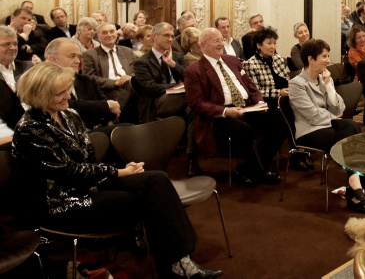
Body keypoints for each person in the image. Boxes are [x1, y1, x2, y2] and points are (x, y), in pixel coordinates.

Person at [11, 62, 222, 279]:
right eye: (60, 92)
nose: (68, 95)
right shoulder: (30, 128)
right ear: (40, 95)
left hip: (86, 185)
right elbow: (69, 171)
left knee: (156, 180)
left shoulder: (70, 114)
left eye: (68, 88)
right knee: (141, 200)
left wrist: (121, 169)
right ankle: (177, 266)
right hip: (60, 202)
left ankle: (181, 261)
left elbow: (88, 159)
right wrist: (119, 173)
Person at [184, 28, 286, 186]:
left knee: (279, 126)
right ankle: (259, 173)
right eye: (215, 41)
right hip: (219, 115)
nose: (220, 44)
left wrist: (259, 101)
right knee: (244, 130)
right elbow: (197, 104)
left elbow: (250, 86)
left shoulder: (233, 61)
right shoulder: (193, 71)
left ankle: (249, 168)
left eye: (221, 40)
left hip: (247, 107)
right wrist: (226, 111)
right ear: (203, 45)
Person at [289, 39, 365, 214]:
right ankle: (357, 187)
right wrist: (333, 117)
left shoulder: (324, 78)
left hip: (327, 125)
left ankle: (354, 187)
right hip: (309, 132)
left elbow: (339, 108)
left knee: (351, 125)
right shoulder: (297, 83)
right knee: (350, 133)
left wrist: (328, 87)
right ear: (311, 59)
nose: (328, 60)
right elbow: (312, 116)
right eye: (324, 56)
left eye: (328, 56)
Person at [242, 27, 312, 171]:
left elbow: (286, 79)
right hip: (267, 103)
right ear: (259, 45)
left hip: (285, 99)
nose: (273, 46)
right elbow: (254, 91)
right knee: (289, 120)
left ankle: (301, 153)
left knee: (303, 115)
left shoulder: (278, 59)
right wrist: (278, 92)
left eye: (274, 43)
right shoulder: (250, 64)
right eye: (269, 43)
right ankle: (296, 156)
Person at [133, 22, 194, 171]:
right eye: (166, 35)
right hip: (157, 103)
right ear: (154, 36)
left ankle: (192, 157)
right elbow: (151, 88)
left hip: (182, 100)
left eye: (172, 36)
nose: (170, 39)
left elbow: (190, 77)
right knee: (193, 96)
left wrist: (172, 64)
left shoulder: (177, 57)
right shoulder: (142, 62)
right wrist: (177, 88)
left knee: (194, 110)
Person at [44, 38, 122, 132]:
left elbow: (111, 111)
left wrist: (105, 107)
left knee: (126, 129)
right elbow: (68, 106)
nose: (77, 61)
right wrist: (104, 107)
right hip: (63, 134)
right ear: (53, 60)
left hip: (95, 131)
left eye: (78, 57)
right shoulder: (44, 82)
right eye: (72, 56)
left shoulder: (87, 80)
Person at [80, 22, 135, 111]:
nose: (109, 35)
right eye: (104, 33)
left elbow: (138, 71)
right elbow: (90, 78)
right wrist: (114, 83)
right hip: (108, 90)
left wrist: (130, 77)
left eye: (112, 32)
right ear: (98, 36)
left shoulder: (127, 51)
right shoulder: (89, 55)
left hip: (130, 85)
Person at [0, 26, 33, 148]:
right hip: (8, 128)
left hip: (34, 122)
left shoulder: (28, 67)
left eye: (15, 43)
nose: (13, 48)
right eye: (6, 44)